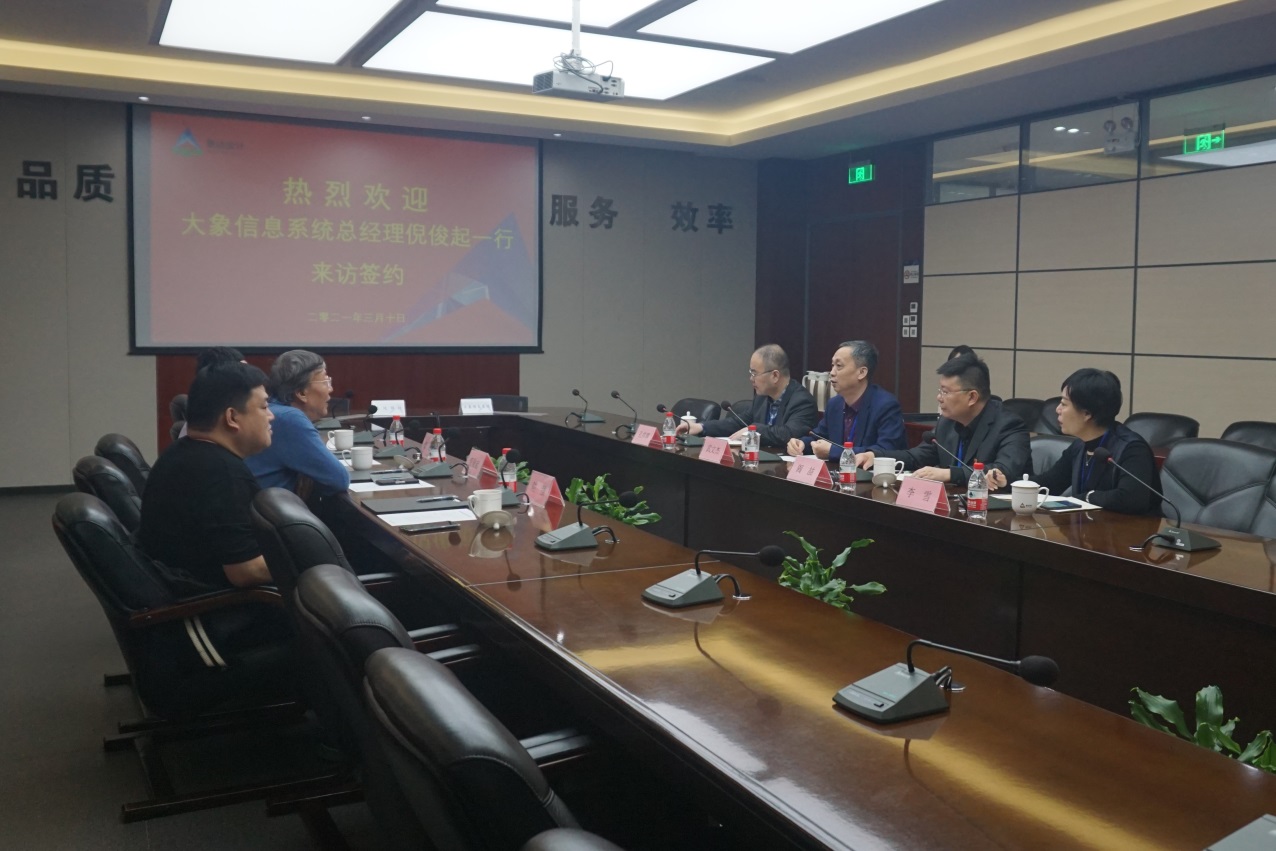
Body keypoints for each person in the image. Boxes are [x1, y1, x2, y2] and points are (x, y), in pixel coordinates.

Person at [138, 361, 275, 591]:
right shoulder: (222, 475)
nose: (271, 416)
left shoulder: (182, 451)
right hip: (223, 605)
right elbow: (247, 571)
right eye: (264, 407)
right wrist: (312, 558)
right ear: (232, 417)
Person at [856, 352, 1028, 489]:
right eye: (940, 390)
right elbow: (916, 457)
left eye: (945, 392)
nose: (939, 398)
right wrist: (875, 456)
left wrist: (949, 474)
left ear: (972, 397)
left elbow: (1001, 472)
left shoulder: (1009, 426)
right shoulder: (948, 422)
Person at [1036, 368, 1159, 513]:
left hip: (1132, 526)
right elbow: (1050, 483)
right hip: (1088, 524)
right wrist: (1014, 484)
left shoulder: (1132, 449)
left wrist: (1087, 497)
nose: (1057, 409)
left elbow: (1131, 498)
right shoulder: (1080, 445)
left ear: (1087, 413)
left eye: (1064, 404)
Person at [246, 349, 350, 496]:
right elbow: (339, 479)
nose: (331, 389)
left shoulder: (275, 411)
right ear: (301, 392)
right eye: (325, 382)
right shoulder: (289, 419)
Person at [787, 341, 905, 463]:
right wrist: (801, 444)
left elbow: (885, 451)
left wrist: (833, 452)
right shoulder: (834, 404)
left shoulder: (886, 406)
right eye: (832, 365)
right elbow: (819, 437)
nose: (832, 372)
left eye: (839, 366)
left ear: (861, 373)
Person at [679, 344, 817, 447]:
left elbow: (788, 434)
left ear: (775, 376)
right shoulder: (762, 398)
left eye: (754, 373)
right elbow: (738, 422)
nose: (751, 379)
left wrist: (754, 430)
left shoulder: (802, 401)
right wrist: (702, 427)